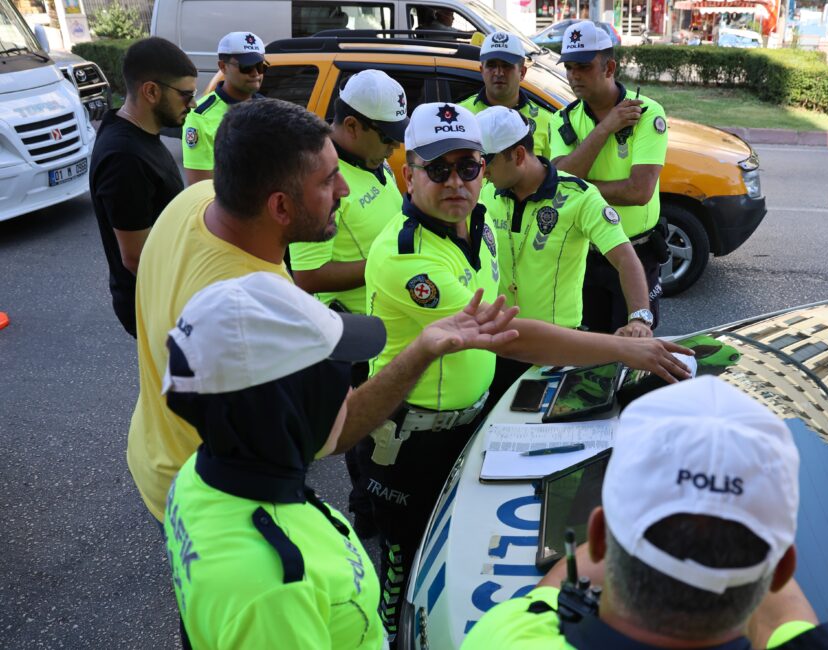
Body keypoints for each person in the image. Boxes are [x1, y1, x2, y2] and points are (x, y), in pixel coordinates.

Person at [361, 101, 692, 639]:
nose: (458, 182)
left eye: (469, 167)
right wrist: (622, 347)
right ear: (408, 174)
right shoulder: (406, 256)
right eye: (438, 169)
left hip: (471, 418)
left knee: (463, 557)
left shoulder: (477, 223)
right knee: (404, 581)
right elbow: (507, 338)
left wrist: (634, 323)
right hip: (412, 441)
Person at [128, 98, 518, 524]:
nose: (345, 190)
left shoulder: (196, 200)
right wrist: (422, 351)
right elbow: (340, 428)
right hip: (214, 498)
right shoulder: (261, 311)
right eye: (329, 180)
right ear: (280, 207)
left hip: (154, 447)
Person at [162, 272, 516, 649]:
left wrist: (421, 350)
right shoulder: (277, 589)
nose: (350, 389)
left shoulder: (203, 476)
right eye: (334, 376)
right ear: (290, 410)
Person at [464, 376, 828, 649]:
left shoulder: (506, 636)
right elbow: (785, 618)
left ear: (600, 536)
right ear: (781, 570)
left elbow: (552, 592)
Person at [476, 106, 653, 399]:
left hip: (554, 352)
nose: (481, 172)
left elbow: (625, 258)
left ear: (518, 155)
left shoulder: (578, 197)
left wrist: (639, 318)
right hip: (495, 345)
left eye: (487, 162)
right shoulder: (485, 193)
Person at [550, 20, 669, 334]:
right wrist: (606, 128)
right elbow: (560, 186)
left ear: (609, 67)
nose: (574, 75)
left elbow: (639, 191)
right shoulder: (564, 119)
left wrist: (581, 191)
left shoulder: (647, 113)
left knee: (634, 348)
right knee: (588, 352)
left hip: (636, 253)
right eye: (569, 67)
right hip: (584, 254)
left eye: (583, 67)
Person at [90, 37, 196, 337]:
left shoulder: (134, 131)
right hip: (157, 305)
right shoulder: (124, 157)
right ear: (150, 91)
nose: (193, 104)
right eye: (185, 95)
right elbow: (137, 257)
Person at [289, 69, 408, 317]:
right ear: (352, 126)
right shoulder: (314, 177)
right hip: (352, 333)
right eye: (387, 137)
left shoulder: (372, 158)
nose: (395, 146)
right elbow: (308, 276)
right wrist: (391, 262)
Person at [182, 32, 267, 185]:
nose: (255, 73)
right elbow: (199, 188)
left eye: (260, 66)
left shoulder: (268, 109)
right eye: (246, 67)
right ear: (222, 67)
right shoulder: (200, 116)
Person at [458, 31, 552, 158]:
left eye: (506, 66)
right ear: (481, 71)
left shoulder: (546, 121)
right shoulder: (460, 115)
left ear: (522, 72)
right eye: (491, 65)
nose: (498, 72)